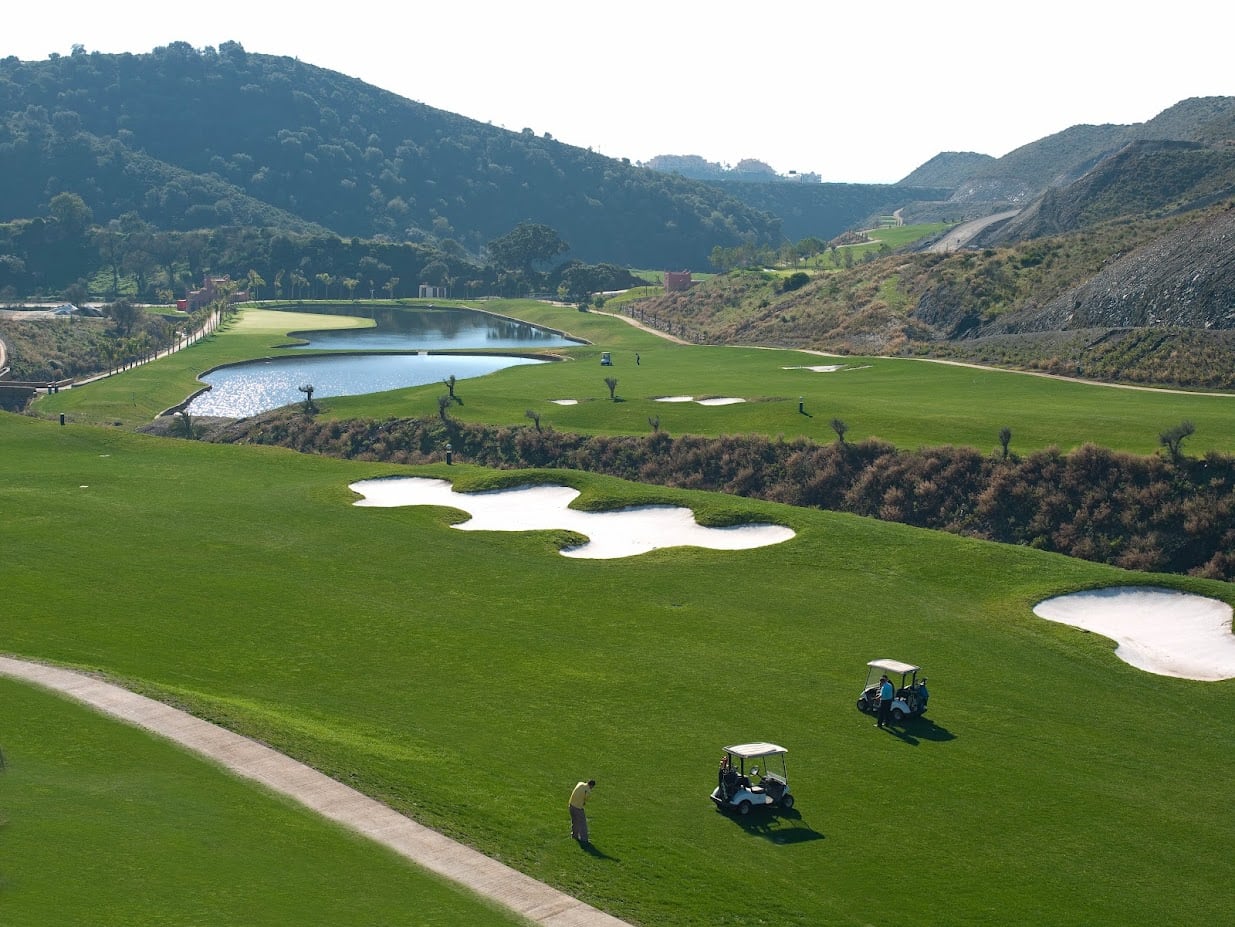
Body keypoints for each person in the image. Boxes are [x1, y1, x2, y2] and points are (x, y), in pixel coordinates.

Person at [569, 779, 596, 843]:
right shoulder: (588, 791)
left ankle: (574, 835)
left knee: (575, 821)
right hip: (578, 808)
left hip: (571, 805)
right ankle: (584, 839)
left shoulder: (580, 783)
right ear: (591, 786)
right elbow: (585, 800)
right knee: (582, 823)